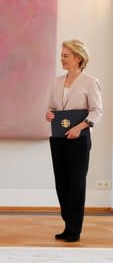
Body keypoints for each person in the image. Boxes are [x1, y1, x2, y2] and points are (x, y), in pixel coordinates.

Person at [45, 40, 102, 242]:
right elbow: (52, 108)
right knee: (62, 183)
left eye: (66, 55)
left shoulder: (90, 81)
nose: (62, 58)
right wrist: (49, 115)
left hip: (79, 140)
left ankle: (74, 229)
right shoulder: (57, 81)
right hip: (59, 139)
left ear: (78, 58)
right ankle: (68, 224)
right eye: (62, 55)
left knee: (76, 184)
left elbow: (97, 111)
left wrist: (80, 127)